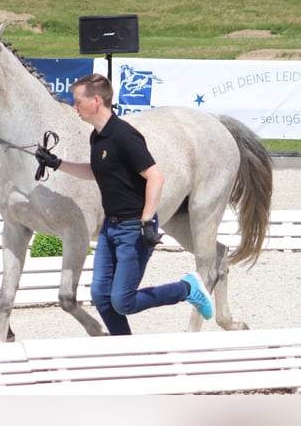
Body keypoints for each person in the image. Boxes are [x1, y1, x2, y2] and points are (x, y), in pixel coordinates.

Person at [34, 73, 214, 335]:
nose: (74, 107)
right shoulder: (97, 137)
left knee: (123, 301)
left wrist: (147, 220)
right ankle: (125, 349)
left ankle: (187, 289)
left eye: (78, 101)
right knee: (101, 296)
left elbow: (155, 176)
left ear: (96, 100)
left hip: (134, 229)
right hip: (111, 227)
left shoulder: (124, 135)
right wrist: (57, 164)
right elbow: (97, 171)